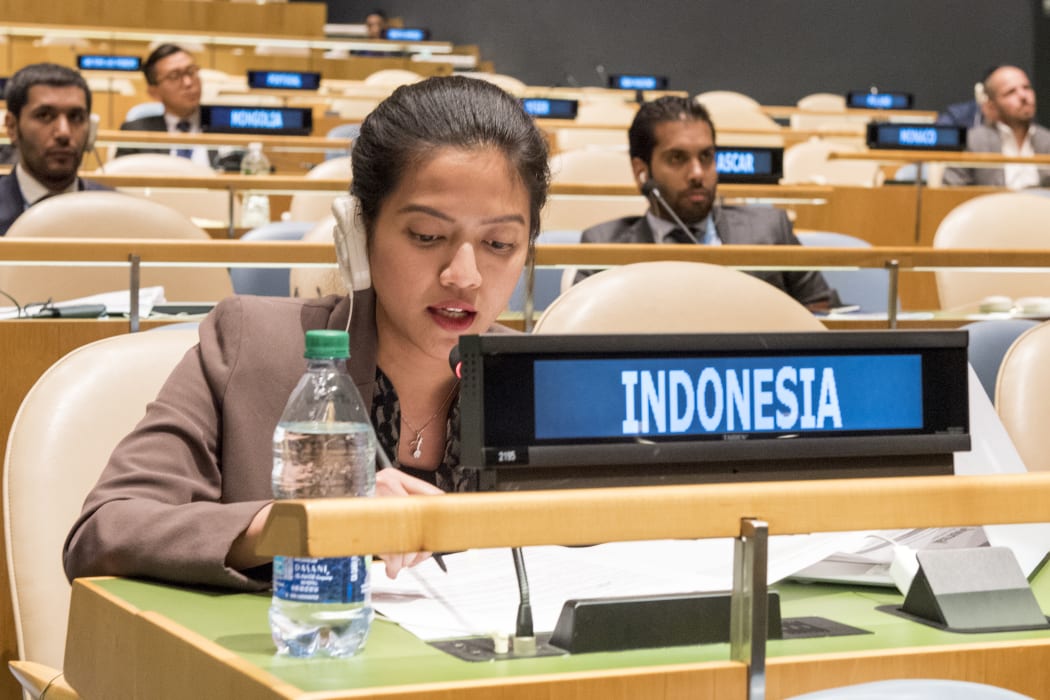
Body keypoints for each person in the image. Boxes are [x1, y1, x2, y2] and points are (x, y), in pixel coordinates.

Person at [63, 76, 550, 590]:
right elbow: (103, 532)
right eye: (427, 236)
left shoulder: (545, 385)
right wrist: (293, 526)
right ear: (358, 234)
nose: (464, 275)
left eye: (499, 243)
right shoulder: (250, 343)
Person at [576, 96, 836, 311]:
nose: (698, 173)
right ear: (641, 171)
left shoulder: (769, 228)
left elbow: (822, 308)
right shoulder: (604, 246)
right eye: (677, 158)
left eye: (706, 156)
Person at [0, 63, 108, 236]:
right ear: (12, 127)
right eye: (44, 116)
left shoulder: (121, 213)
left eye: (76, 117)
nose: (64, 132)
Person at [114, 44, 241, 171]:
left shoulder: (227, 123)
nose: (188, 83)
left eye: (191, 71)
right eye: (174, 76)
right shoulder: (136, 132)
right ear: (154, 91)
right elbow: (122, 181)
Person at [943, 65, 1050, 189]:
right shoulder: (972, 142)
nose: (1023, 96)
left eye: (1026, 88)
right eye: (1011, 92)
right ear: (991, 107)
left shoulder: (1047, 140)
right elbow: (952, 192)